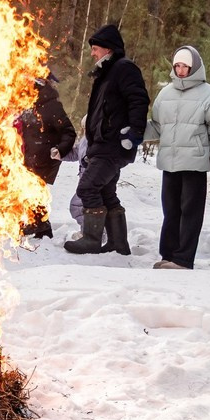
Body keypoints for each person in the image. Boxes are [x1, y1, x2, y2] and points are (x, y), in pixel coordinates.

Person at [143, 46, 210, 269]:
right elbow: (156, 126)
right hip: (170, 162)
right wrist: (134, 132)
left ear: (195, 67)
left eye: (185, 66)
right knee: (170, 210)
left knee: (190, 212)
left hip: (194, 163)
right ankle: (168, 254)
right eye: (178, 66)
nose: (181, 70)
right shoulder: (165, 94)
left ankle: (183, 258)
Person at [64, 24, 149, 255]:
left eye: (95, 48)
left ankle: (91, 239)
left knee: (88, 187)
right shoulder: (106, 72)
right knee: (106, 192)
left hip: (113, 144)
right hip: (102, 144)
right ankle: (118, 243)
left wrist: (134, 133)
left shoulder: (124, 68)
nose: (92, 53)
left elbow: (139, 100)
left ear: (108, 49)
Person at [15, 72, 77, 238]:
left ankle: (40, 224)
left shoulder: (51, 106)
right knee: (27, 189)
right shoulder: (28, 105)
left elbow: (69, 131)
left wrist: (60, 150)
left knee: (35, 189)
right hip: (29, 156)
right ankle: (38, 224)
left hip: (45, 157)